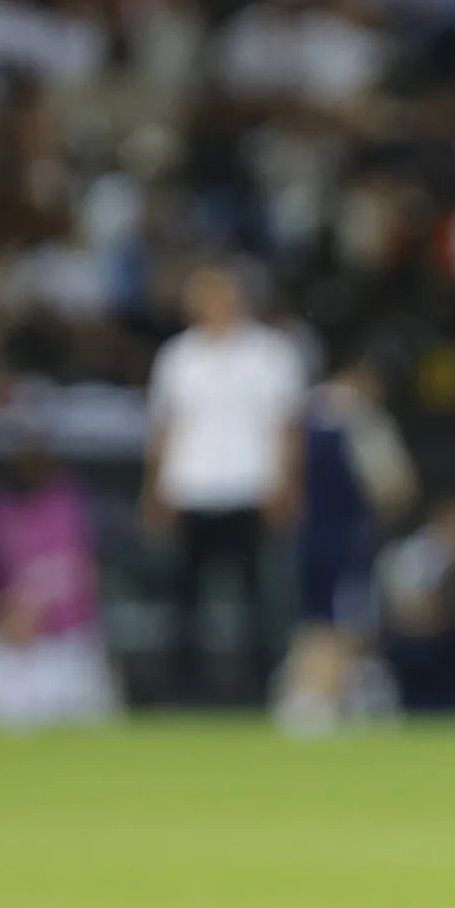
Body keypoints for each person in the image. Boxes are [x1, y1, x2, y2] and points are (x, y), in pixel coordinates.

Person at [142, 264, 307, 702]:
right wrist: (155, 490)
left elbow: (286, 427)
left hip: (249, 488)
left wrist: (286, 485)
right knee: (184, 600)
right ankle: (183, 691)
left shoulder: (271, 353)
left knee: (258, 600)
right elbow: (165, 429)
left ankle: (261, 691)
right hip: (191, 489)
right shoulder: (178, 357)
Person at [276, 357, 418, 735]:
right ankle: (315, 699)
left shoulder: (298, 418)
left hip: (306, 537)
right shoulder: (363, 422)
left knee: (315, 619)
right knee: (345, 625)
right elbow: (394, 489)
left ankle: (314, 695)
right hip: (347, 539)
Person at [0, 445, 117, 729]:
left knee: (92, 721)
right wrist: (7, 614)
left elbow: (83, 573)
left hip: (71, 639)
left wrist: (38, 604)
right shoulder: (0, 510)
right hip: (14, 645)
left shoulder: (69, 504)